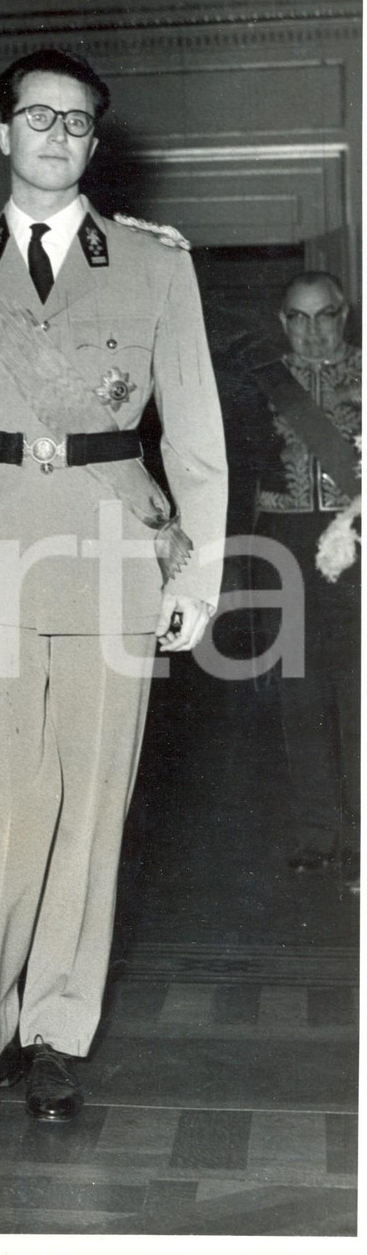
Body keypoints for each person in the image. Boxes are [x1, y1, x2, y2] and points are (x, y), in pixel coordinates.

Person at [0, 48, 228, 1124]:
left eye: (76, 123)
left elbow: (197, 438)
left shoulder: (154, 264)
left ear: (95, 141)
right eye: (36, 118)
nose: (55, 136)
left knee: (92, 792)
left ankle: (53, 1033)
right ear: (2, 135)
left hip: (115, 544)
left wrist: (202, 574)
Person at [250, 271, 361, 884]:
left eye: (325, 315)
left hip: (360, 544)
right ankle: (318, 834)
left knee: (360, 692)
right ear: (282, 321)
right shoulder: (259, 386)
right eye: (299, 316)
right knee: (301, 695)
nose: (313, 329)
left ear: (345, 315)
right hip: (285, 548)